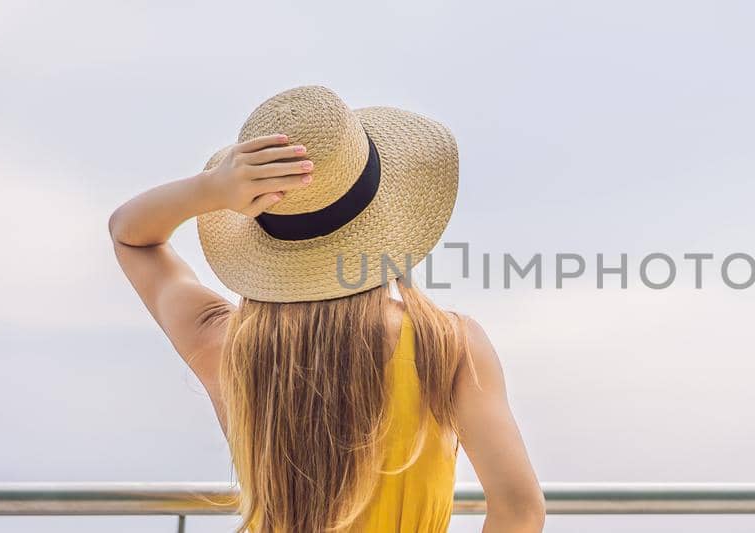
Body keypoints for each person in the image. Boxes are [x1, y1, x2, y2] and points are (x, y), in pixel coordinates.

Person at [108, 86, 544, 533]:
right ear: (385, 228)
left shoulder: (225, 343)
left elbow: (129, 234)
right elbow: (519, 510)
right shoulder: (447, 344)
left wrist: (211, 189)